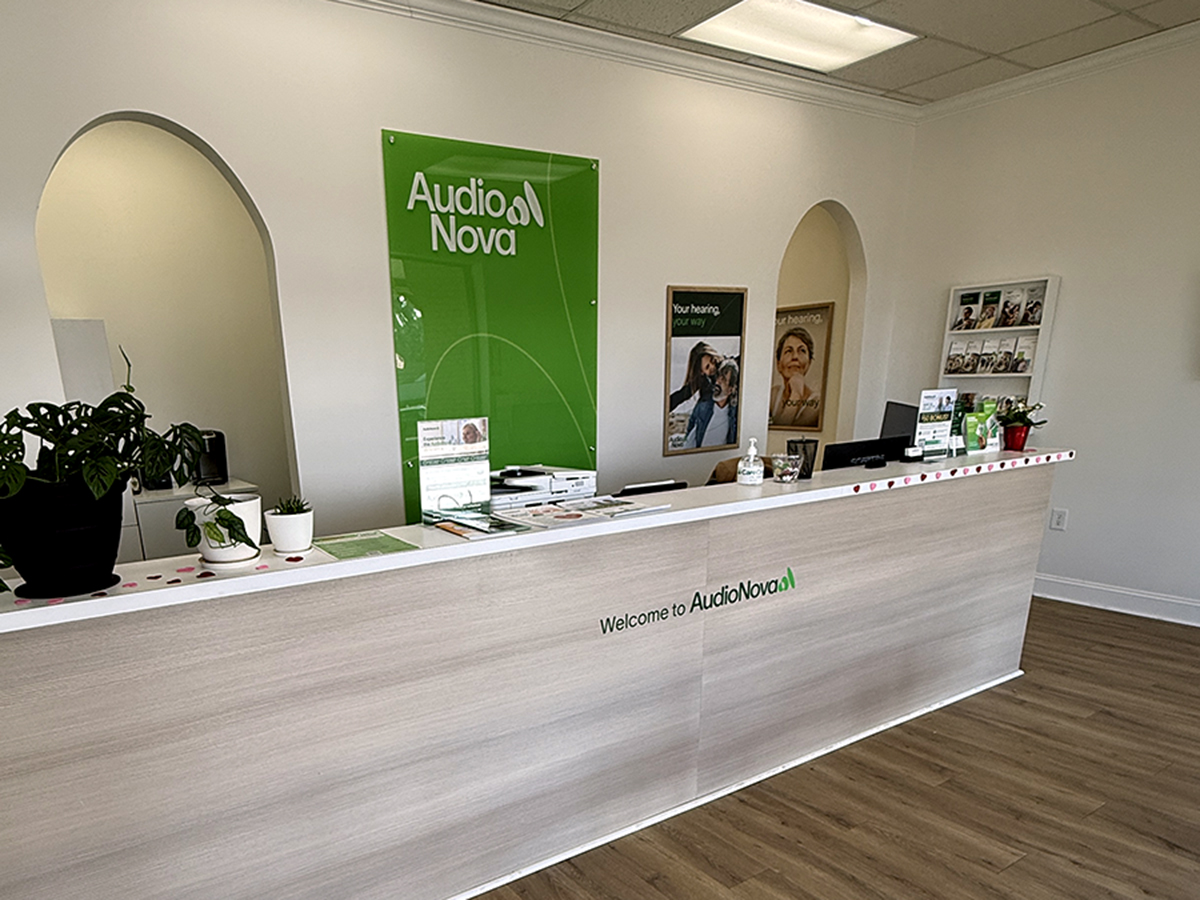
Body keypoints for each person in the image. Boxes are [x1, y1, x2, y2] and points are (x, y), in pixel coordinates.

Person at [769, 327, 819, 428]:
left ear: (809, 362)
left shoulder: (817, 403)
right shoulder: (773, 395)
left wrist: (796, 393)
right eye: (788, 351)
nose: (795, 357)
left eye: (802, 351)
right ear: (778, 364)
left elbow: (786, 427)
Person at [684, 359, 738, 448]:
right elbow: (690, 433)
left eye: (723, 379)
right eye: (719, 377)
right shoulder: (703, 406)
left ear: (730, 390)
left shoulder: (734, 415)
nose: (718, 382)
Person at [668, 341, 721, 412]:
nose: (713, 366)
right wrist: (662, 408)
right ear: (701, 372)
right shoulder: (703, 381)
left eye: (712, 360)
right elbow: (680, 396)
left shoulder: (728, 366)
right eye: (707, 367)